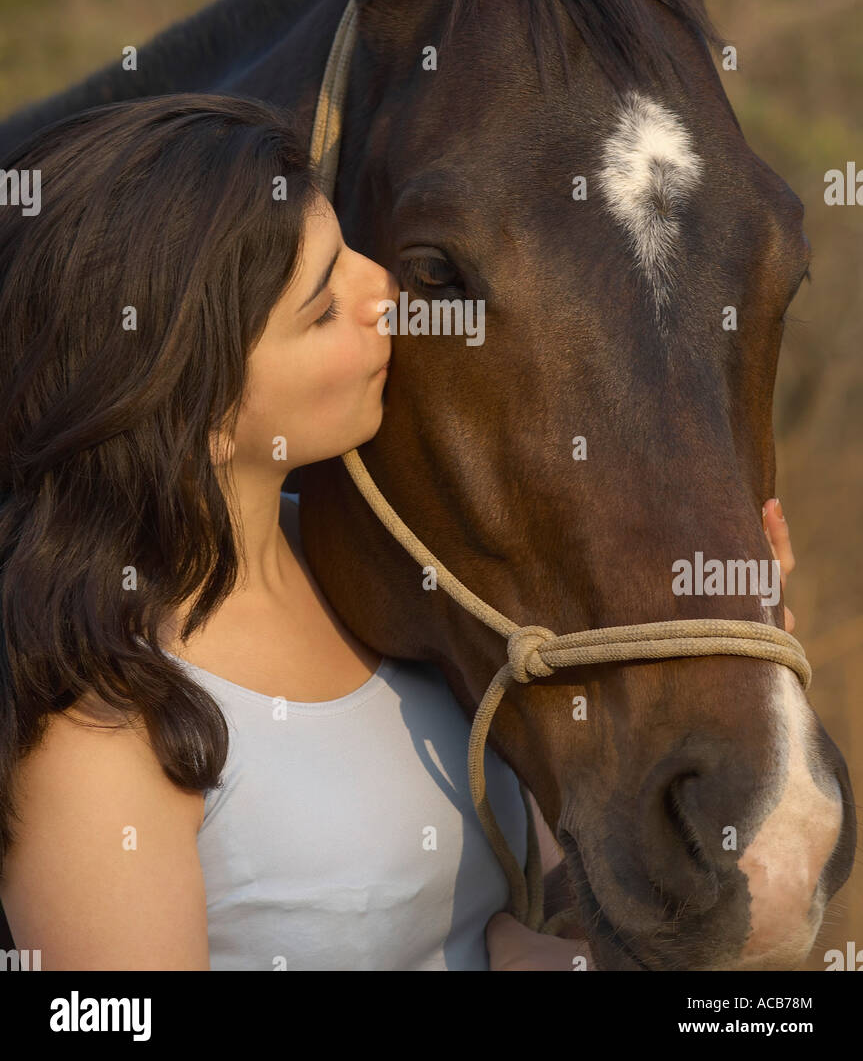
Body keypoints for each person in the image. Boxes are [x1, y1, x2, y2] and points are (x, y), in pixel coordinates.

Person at [0, 91, 798, 972]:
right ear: (198, 407)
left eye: (350, 249)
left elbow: (496, 931)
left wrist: (720, 658)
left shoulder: (390, 573)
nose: (386, 291)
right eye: (322, 308)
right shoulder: (93, 718)